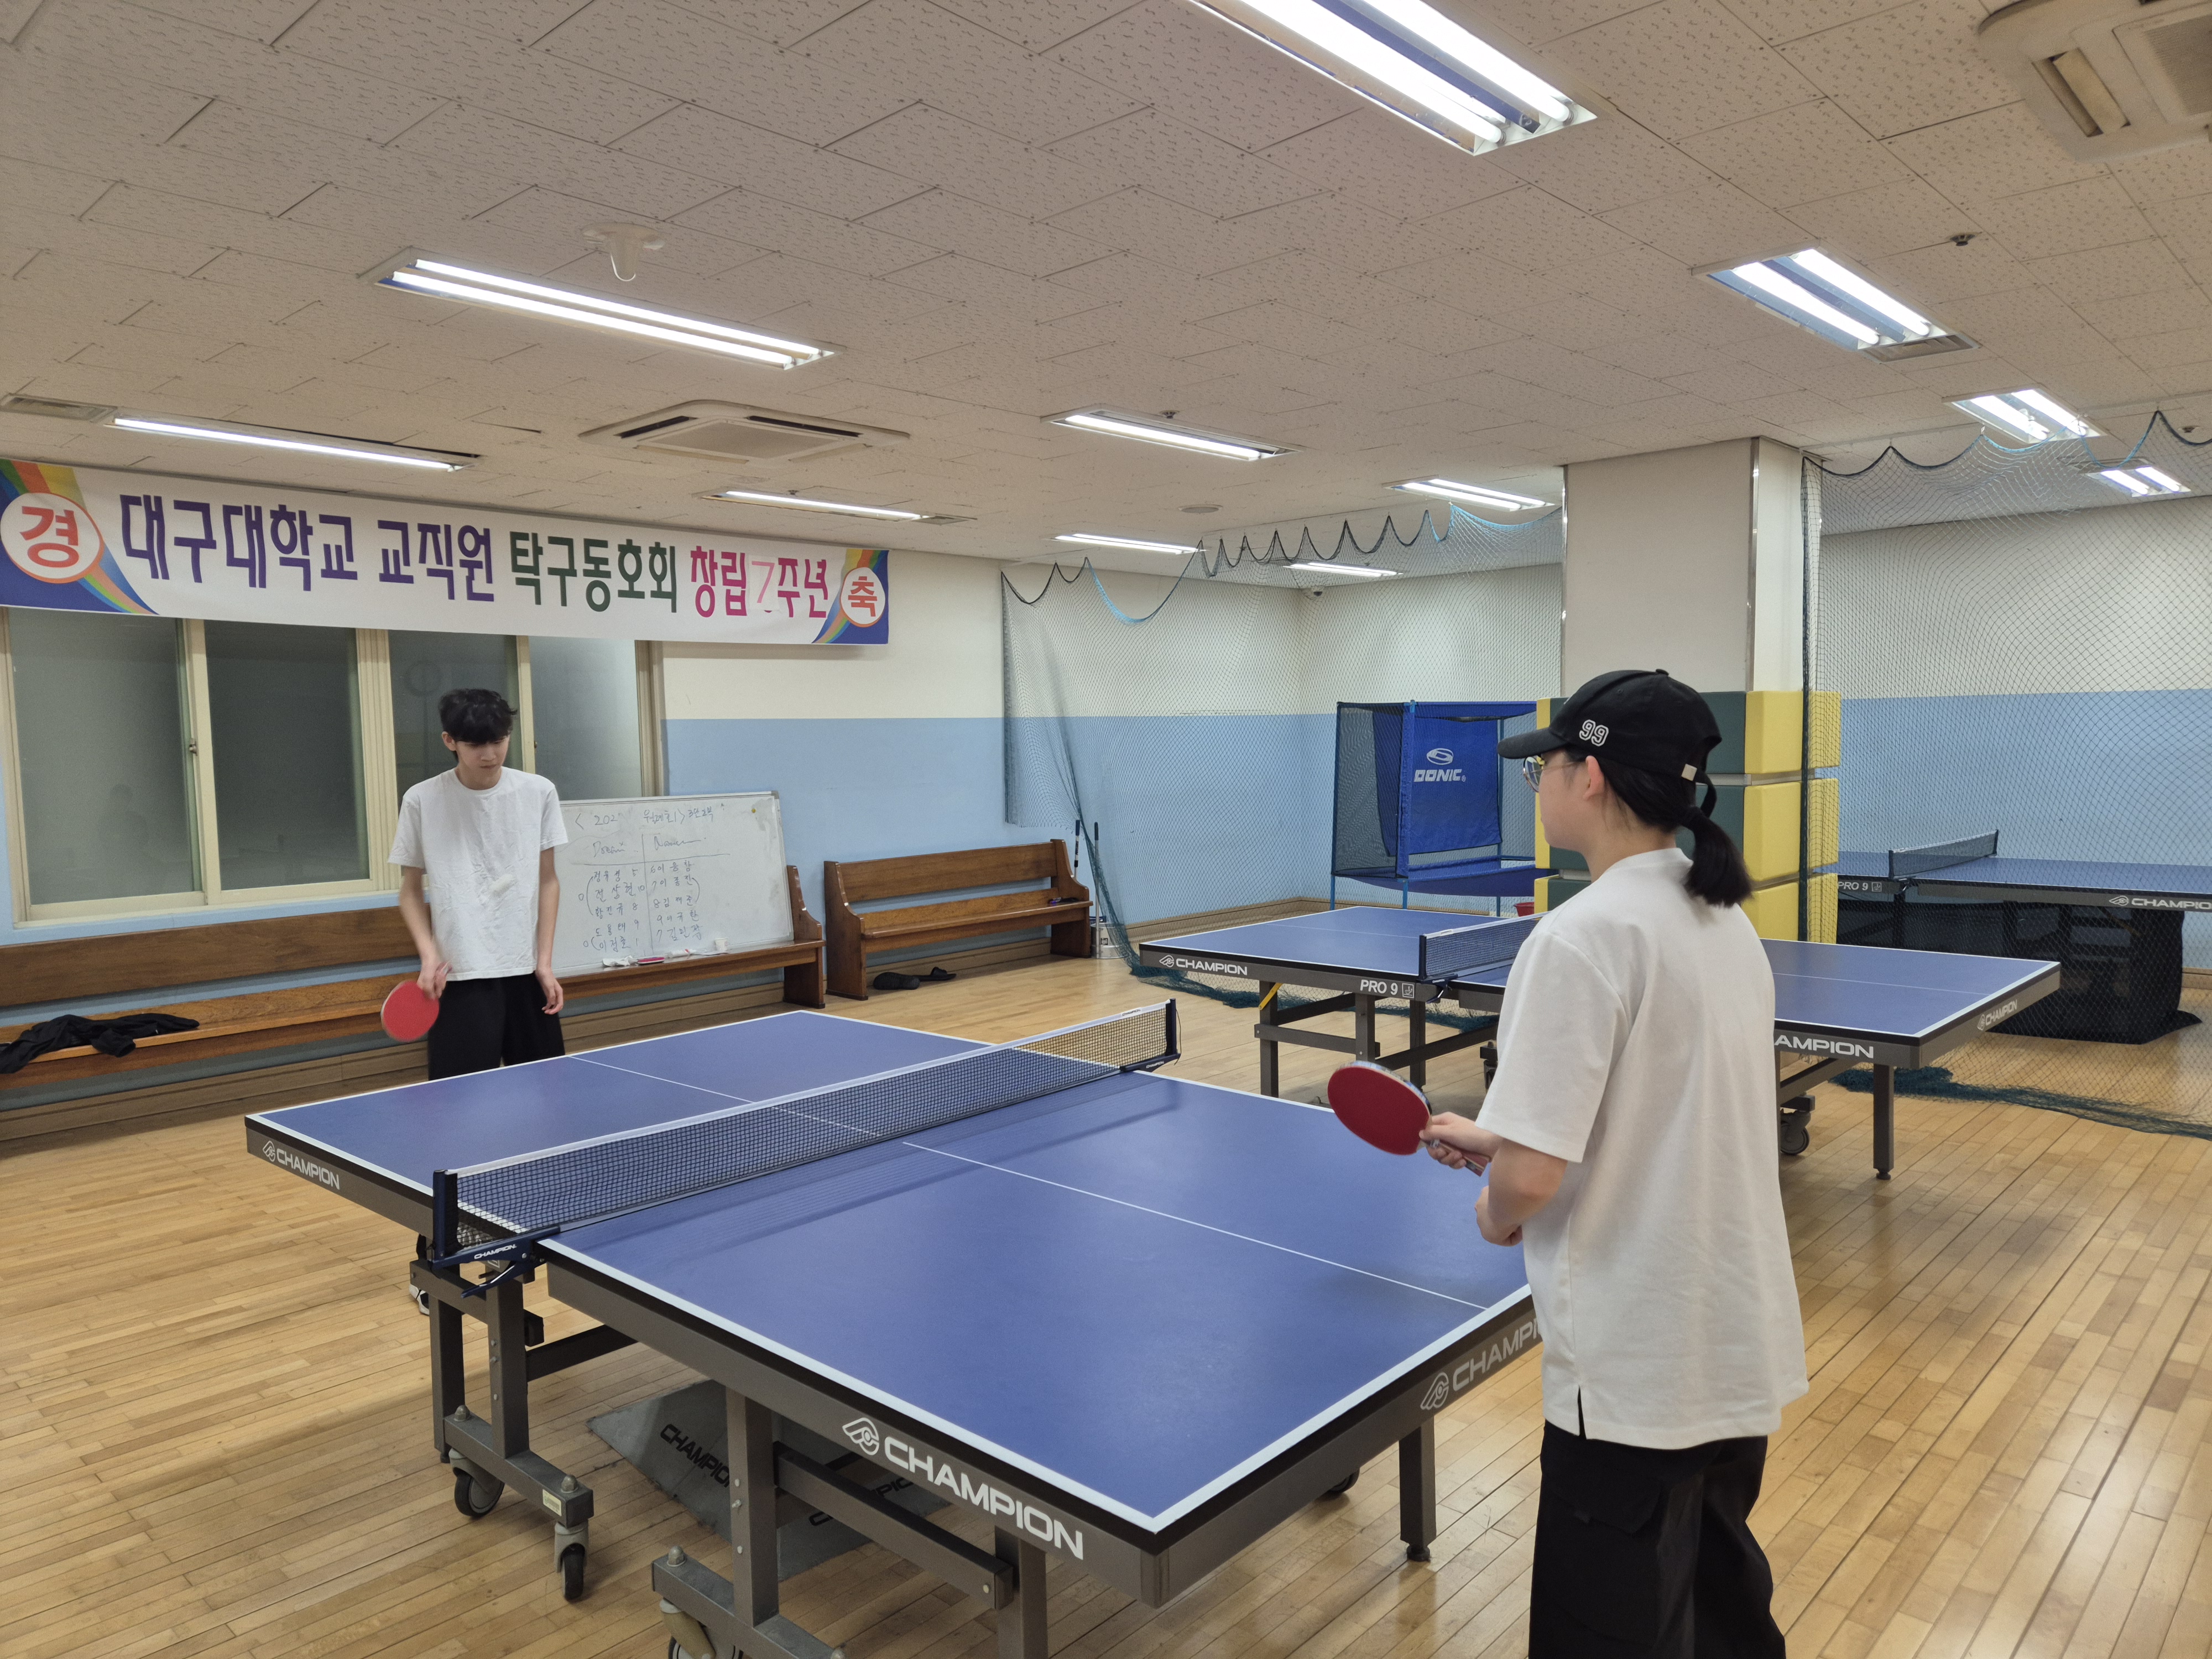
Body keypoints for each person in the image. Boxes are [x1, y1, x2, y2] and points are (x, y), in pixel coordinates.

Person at [1421, 669, 1808, 1659]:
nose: (1538, 785)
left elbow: (1531, 1184)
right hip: (1728, 1348)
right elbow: (1664, 1114)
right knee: (1720, 1621)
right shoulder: (1725, 921)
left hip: (1634, 1373)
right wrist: (1505, 1138)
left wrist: (1496, 1208)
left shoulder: (1580, 937)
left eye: (1543, 768)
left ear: (1588, 777)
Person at [391, 687, 568, 1080]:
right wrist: (428, 957)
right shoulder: (421, 800)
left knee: (546, 1093)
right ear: (449, 741)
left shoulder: (539, 792)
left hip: (526, 972)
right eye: (475, 745)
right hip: (458, 974)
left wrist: (544, 963)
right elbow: (410, 891)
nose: (490, 754)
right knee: (460, 1103)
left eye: (499, 741)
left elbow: (549, 881)